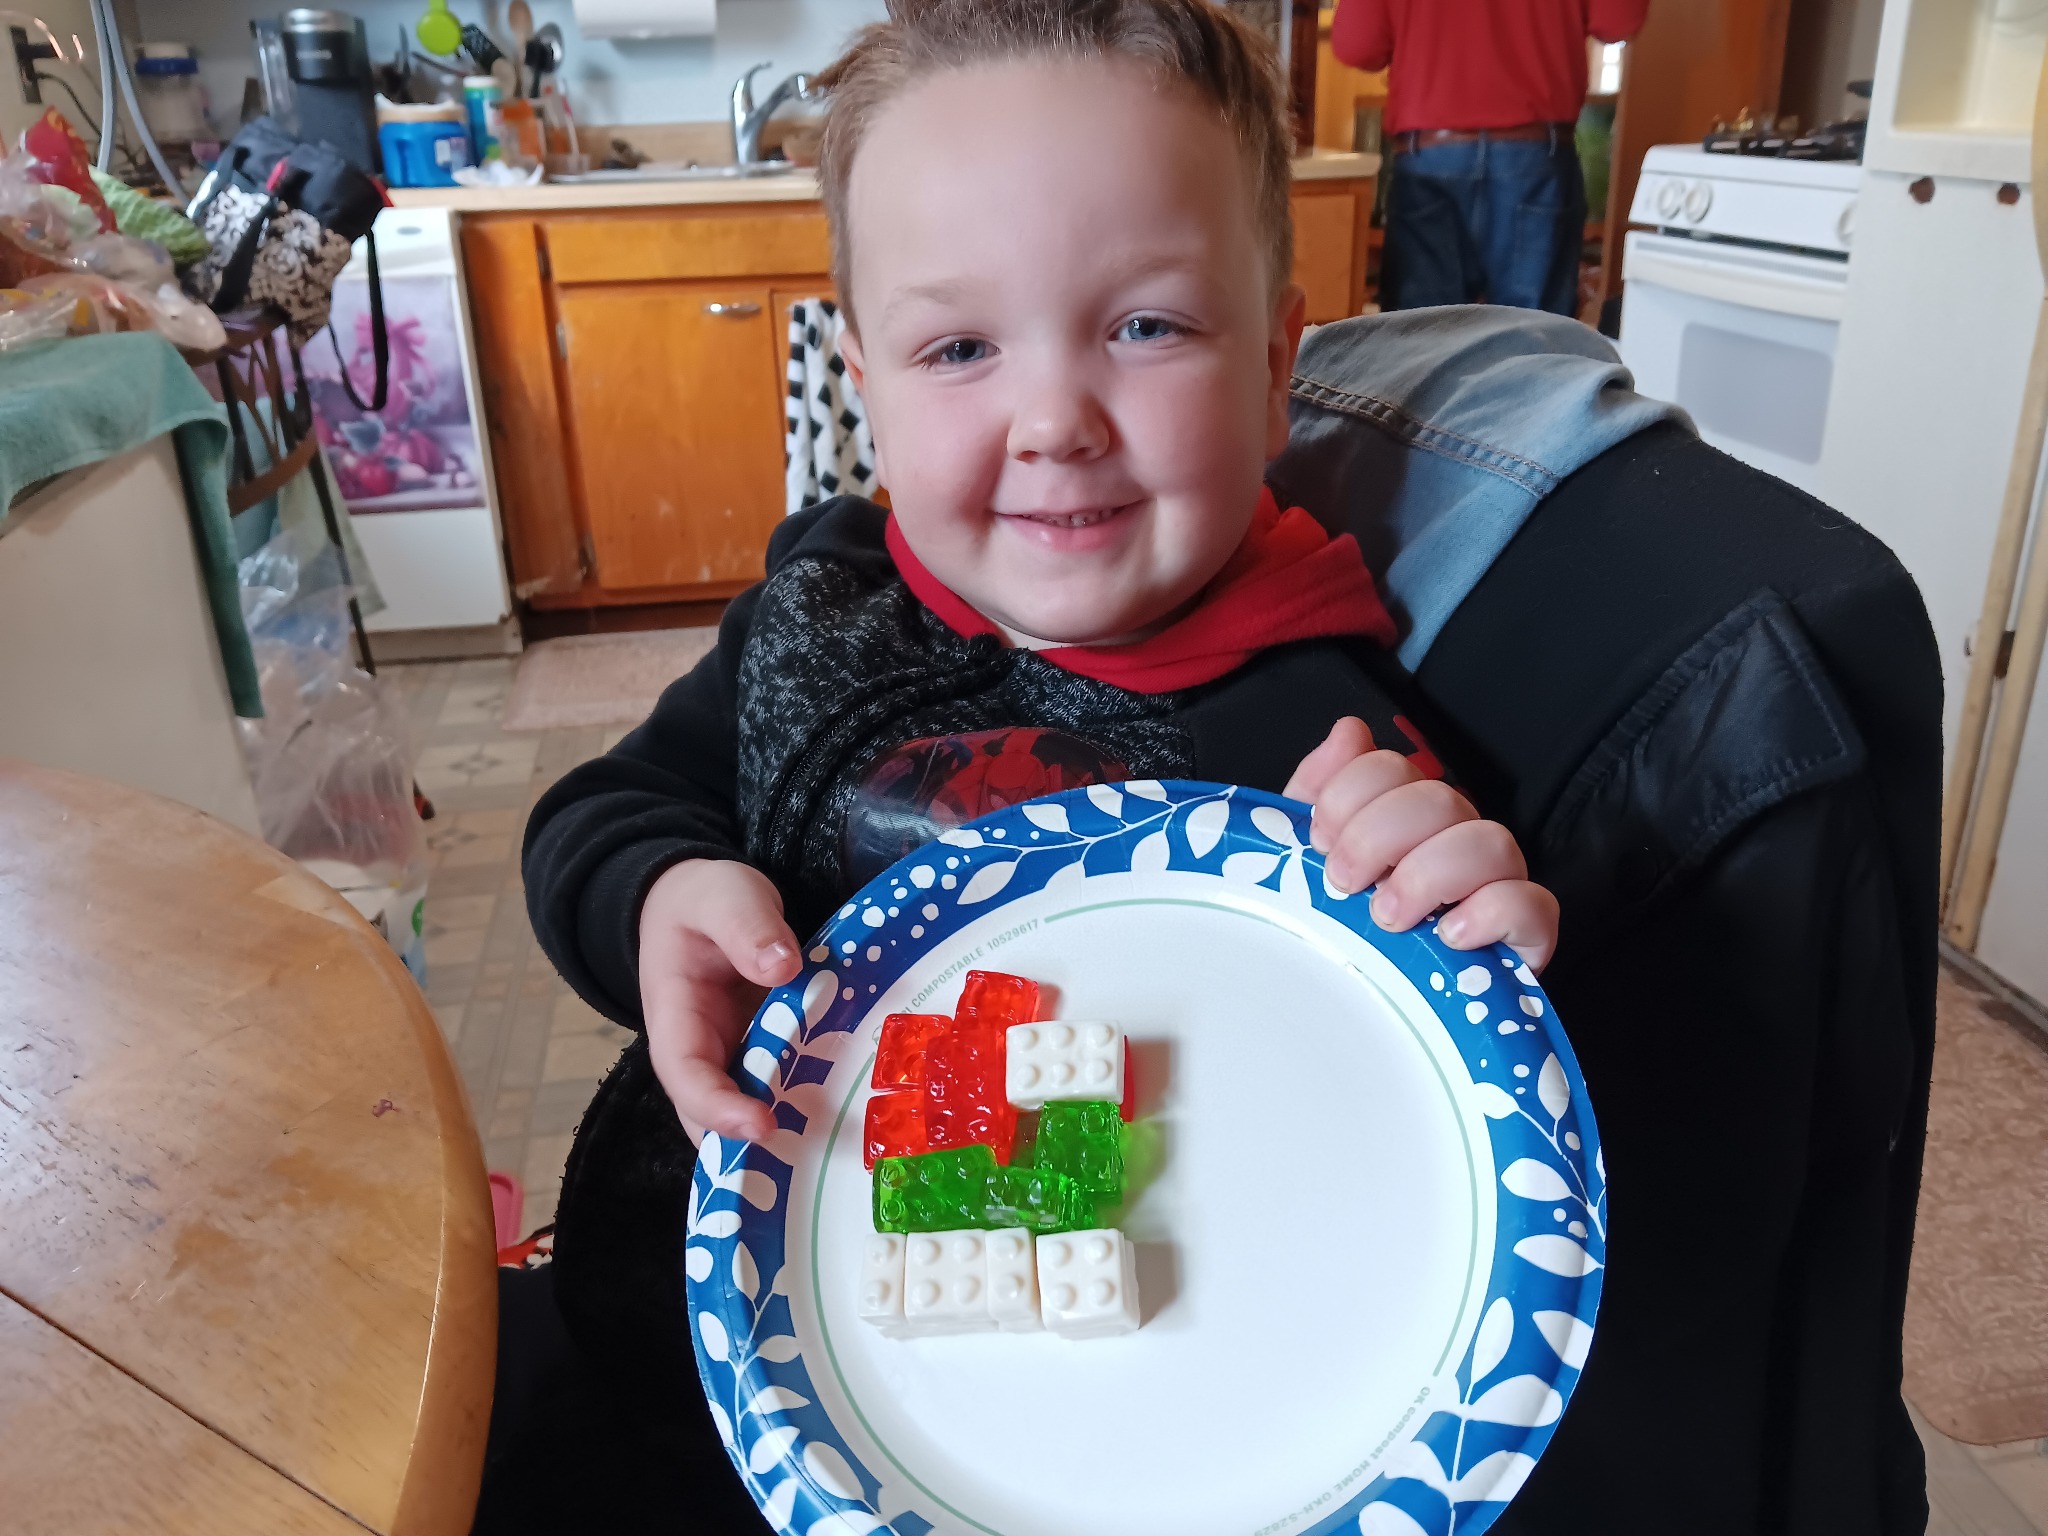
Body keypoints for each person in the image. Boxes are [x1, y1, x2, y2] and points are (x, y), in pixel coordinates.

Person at [501, 0, 1554, 1527]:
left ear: (1275, 366)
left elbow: (1415, 1144)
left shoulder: (1323, 746)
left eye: (1146, 327)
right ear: (863, 382)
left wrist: (1467, 909)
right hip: (656, 1342)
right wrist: (656, 892)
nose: (1055, 419)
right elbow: (602, 811)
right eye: (959, 347)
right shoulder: (814, 613)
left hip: (1027, 1458)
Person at [1330, 0, 1649, 314]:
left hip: (1430, 156)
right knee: (1533, 334)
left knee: (1424, 334)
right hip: (1534, 155)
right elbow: (1619, 20)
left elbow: (1358, 45)